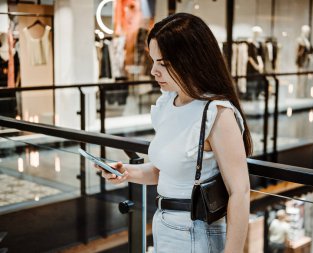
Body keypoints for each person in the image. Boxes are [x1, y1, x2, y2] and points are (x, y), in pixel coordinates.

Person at [96, 12, 253, 253]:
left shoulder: (217, 113)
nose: (153, 71)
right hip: (164, 224)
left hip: (196, 231)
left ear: (191, 61)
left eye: (164, 64)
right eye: (153, 61)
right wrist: (126, 172)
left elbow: (239, 192)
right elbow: (164, 172)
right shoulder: (169, 103)